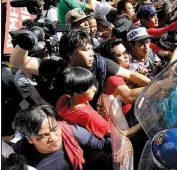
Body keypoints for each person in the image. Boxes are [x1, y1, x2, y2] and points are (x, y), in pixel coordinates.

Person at [10, 28, 151, 109]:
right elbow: (17, 61)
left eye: (91, 48)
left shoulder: (101, 63)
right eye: (85, 50)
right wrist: (27, 40)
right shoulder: (54, 67)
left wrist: (155, 85)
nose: (91, 53)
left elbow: (131, 75)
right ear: (70, 53)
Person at [11, 105, 114, 170]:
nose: (54, 138)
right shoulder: (19, 157)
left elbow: (102, 143)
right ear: (30, 139)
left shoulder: (72, 133)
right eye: (43, 136)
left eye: (55, 129)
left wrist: (122, 146)